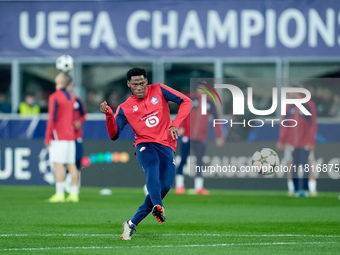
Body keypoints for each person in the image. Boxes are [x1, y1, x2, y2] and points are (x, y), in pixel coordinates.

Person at [100, 67, 192, 240]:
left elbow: (187, 102)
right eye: (135, 84)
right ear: (129, 85)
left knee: (165, 185)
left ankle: (131, 223)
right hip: (144, 144)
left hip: (166, 144)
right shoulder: (125, 108)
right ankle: (158, 205)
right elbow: (114, 135)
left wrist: (175, 123)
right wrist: (109, 116)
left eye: (142, 83)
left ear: (146, 82)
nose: (139, 87)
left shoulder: (159, 89)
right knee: (152, 168)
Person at [175, 87, 224, 195]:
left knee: (199, 161)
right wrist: (181, 126)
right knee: (183, 159)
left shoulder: (210, 102)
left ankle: (199, 187)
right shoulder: (190, 99)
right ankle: (179, 185)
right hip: (187, 134)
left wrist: (219, 136)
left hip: (201, 136)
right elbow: (182, 112)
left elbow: (217, 118)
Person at [45, 72, 79, 203]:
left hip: (58, 135)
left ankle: (59, 194)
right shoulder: (71, 97)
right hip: (70, 135)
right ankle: (74, 194)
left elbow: (51, 118)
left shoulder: (54, 96)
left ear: (60, 81)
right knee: (71, 165)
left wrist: (48, 136)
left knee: (58, 165)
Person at [277, 86, 317, 197]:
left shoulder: (308, 105)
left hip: (305, 142)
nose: (289, 94)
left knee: (307, 164)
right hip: (291, 143)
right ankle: (293, 189)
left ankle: (308, 189)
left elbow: (312, 125)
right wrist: (282, 140)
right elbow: (285, 124)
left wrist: (310, 141)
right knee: (292, 165)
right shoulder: (289, 107)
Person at [63, 82, 87, 192]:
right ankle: (67, 180)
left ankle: (73, 182)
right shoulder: (61, 101)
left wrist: (79, 122)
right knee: (67, 158)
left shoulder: (77, 100)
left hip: (77, 135)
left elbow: (83, 115)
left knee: (77, 158)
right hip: (66, 135)